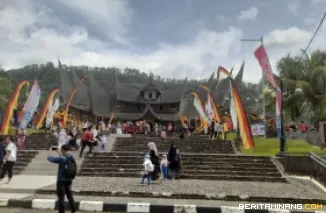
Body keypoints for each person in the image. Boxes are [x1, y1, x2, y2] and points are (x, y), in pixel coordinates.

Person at [47, 145, 77, 213]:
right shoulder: (71, 156)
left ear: (63, 149)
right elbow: (64, 157)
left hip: (61, 180)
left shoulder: (61, 158)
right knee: (69, 195)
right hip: (69, 179)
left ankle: (61, 211)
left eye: (61, 149)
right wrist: (59, 152)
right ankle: (73, 209)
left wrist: (49, 151)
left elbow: (49, 158)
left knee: (61, 197)